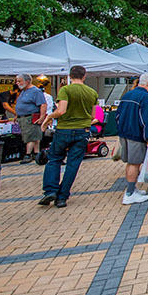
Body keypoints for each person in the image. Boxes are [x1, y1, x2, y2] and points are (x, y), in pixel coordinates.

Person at [39, 65, 98, 208]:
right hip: (83, 130)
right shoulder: (92, 92)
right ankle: (62, 197)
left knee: (54, 159)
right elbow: (93, 116)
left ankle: (51, 190)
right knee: (73, 164)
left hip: (64, 129)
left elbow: (61, 110)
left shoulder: (65, 90)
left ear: (70, 76)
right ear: (84, 76)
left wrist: (49, 117)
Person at [116, 72, 148, 205]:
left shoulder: (128, 94)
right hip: (137, 135)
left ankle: (132, 189)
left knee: (131, 163)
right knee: (134, 164)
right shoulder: (146, 97)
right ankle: (129, 193)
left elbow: (118, 116)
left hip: (125, 133)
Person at [14, 74, 48, 164]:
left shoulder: (36, 91)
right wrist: (17, 115)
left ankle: (28, 154)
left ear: (27, 81)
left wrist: (42, 117)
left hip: (31, 117)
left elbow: (43, 105)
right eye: (17, 81)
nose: (17, 83)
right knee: (34, 136)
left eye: (19, 81)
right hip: (23, 118)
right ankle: (36, 153)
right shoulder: (23, 91)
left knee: (31, 136)